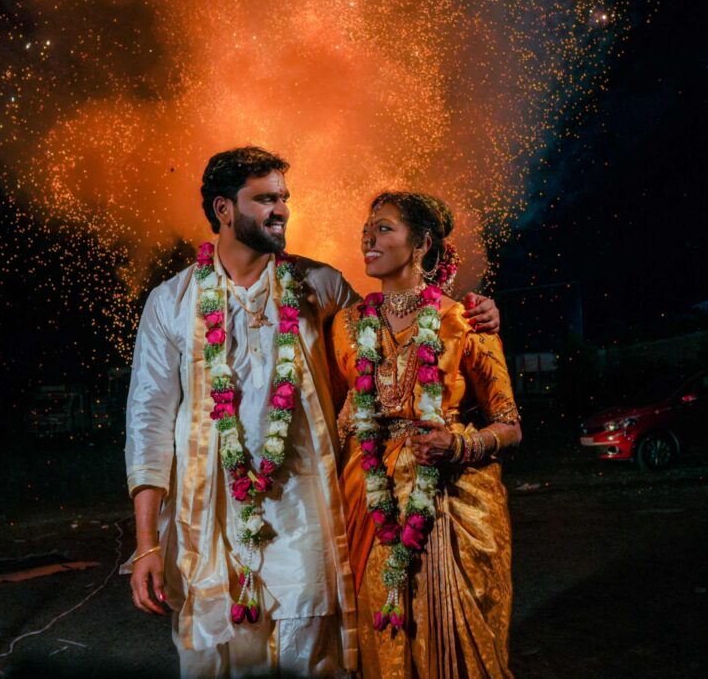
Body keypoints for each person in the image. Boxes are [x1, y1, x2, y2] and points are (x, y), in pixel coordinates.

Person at [123, 147, 500, 678]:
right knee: (216, 661)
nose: (281, 210)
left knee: (309, 660)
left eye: (284, 198)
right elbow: (148, 422)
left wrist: (468, 311)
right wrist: (145, 546)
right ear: (223, 208)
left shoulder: (318, 285)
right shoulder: (172, 301)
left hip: (303, 515)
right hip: (208, 521)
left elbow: (392, 333)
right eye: (266, 198)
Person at [332, 192, 521, 678]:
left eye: (385, 228)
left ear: (421, 244)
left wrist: (459, 445)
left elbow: (509, 424)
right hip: (370, 497)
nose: (368, 238)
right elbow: (333, 409)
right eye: (367, 229)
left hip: (449, 500)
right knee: (381, 627)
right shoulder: (347, 325)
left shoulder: (466, 320)